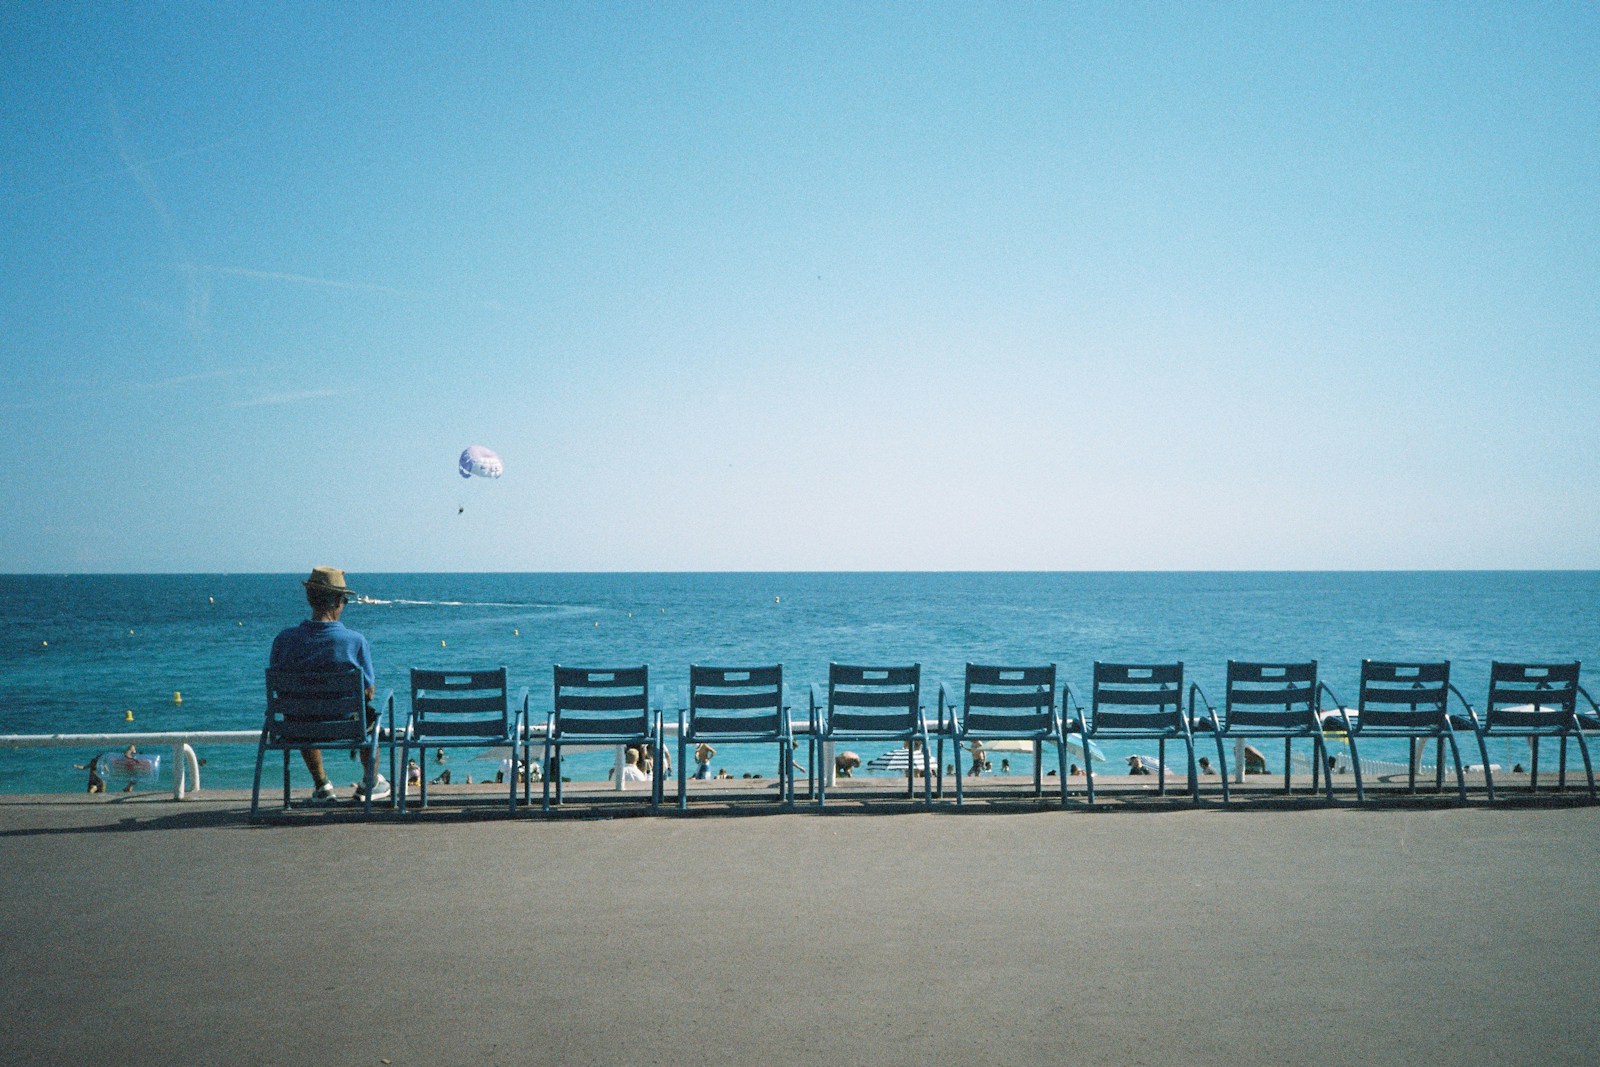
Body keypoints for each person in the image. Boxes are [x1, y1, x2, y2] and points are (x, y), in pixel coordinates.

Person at [268, 567, 389, 804]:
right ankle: (371, 781)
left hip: (298, 728)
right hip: (348, 726)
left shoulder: (284, 640)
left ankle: (322, 785)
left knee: (300, 711)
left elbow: (279, 686)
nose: (344, 605)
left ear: (310, 599)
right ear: (336, 602)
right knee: (369, 716)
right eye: (344, 600)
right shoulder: (354, 641)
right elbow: (369, 691)